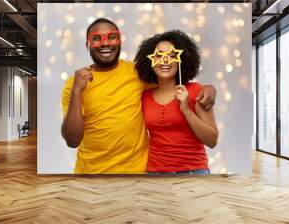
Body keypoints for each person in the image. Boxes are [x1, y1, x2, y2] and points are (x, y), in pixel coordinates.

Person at [61, 18, 216, 174]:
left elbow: (168, 80)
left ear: (120, 42)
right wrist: (76, 91)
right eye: (96, 38)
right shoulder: (74, 84)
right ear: (87, 45)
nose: (105, 43)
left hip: (138, 173)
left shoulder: (137, 74)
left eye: (112, 37)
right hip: (91, 173)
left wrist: (210, 89)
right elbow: (72, 141)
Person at [134, 30, 218, 174]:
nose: (165, 61)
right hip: (155, 173)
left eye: (171, 56)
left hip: (193, 172)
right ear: (150, 62)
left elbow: (212, 141)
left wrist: (186, 109)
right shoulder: (144, 96)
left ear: (180, 61)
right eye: (159, 56)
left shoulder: (196, 91)